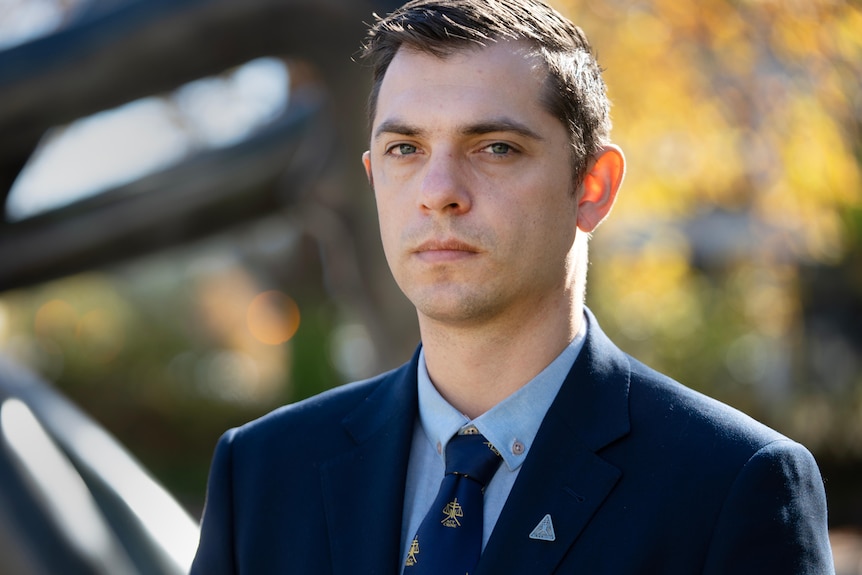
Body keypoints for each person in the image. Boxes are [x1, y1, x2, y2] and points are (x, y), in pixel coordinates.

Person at [190, 0, 834, 573]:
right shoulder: (264, 472)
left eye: (495, 147)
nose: (438, 193)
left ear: (593, 188)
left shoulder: (732, 485)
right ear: (372, 178)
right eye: (405, 150)